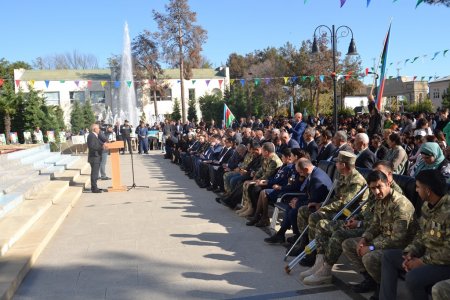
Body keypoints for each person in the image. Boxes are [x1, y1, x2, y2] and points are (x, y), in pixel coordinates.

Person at [341, 170, 417, 298]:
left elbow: (398, 239)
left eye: (379, 187)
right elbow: (375, 225)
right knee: (349, 244)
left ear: (388, 183)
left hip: (402, 247)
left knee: (369, 257)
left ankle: (382, 286)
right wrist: (364, 239)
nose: (376, 192)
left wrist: (371, 247)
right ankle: (371, 279)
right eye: (372, 188)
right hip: (383, 240)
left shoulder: (401, 204)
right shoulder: (379, 200)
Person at [379, 170, 450, 300]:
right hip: (427, 256)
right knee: (388, 256)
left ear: (428, 190)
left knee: (413, 278)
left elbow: (447, 252)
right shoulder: (426, 207)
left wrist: (422, 262)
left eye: (418, 187)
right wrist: (410, 252)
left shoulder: (448, 211)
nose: (416, 190)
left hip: (444, 264)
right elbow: (421, 234)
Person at [292, 151, 368, 266]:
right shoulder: (343, 175)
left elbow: (344, 203)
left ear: (343, 165)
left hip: (349, 213)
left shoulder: (355, 180)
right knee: (304, 210)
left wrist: (324, 209)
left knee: (315, 217)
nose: (335, 164)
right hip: (338, 209)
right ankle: (305, 244)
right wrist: (321, 204)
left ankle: (314, 254)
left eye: (337, 162)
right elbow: (336, 197)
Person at [87, 123, 106, 193]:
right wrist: (101, 147)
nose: (99, 129)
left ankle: (95, 187)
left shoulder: (95, 135)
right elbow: (92, 146)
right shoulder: (91, 136)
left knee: (95, 173)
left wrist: (103, 144)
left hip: (96, 157)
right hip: (94, 157)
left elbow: (97, 143)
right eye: (98, 128)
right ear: (94, 129)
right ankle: (94, 188)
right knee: (94, 173)